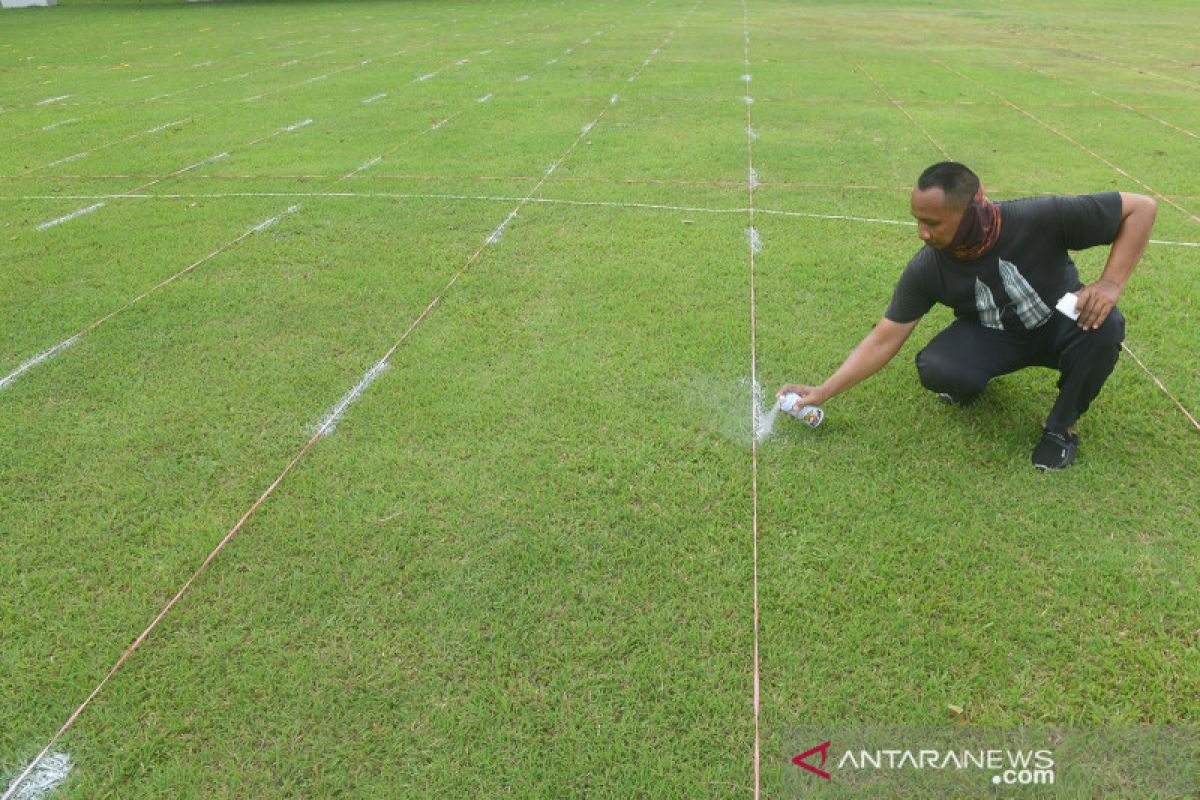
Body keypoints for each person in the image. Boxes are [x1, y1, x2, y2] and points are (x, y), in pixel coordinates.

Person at [777, 162, 1157, 470]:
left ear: (970, 211)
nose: (921, 233)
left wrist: (1109, 283)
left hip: (1058, 321)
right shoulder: (928, 268)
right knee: (936, 366)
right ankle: (972, 382)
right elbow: (884, 337)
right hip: (994, 335)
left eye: (933, 223)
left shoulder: (1040, 216)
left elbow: (1142, 208)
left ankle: (1060, 428)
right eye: (917, 220)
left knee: (1106, 326)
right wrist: (824, 391)